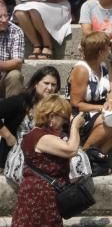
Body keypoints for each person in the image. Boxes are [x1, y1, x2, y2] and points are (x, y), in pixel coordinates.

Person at [9, 94, 85, 227]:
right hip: (40, 196)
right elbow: (71, 150)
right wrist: (75, 126)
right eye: (64, 118)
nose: (65, 122)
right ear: (52, 117)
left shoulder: (41, 135)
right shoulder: (40, 136)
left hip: (43, 194)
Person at [68, 31, 112, 168]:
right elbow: (76, 104)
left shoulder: (104, 65)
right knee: (110, 119)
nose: (110, 49)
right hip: (81, 114)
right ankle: (84, 153)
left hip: (101, 109)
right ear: (101, 51)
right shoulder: (81, 70)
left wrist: (111, 102)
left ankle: (99, 154)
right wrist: (101, 108)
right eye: (108, 46)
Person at [0, 66, 59, 166]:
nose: (50, 88)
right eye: (46, 83)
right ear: (36, 83)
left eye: (53, 85)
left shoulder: (56, 105)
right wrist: (8, 136)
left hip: (44, 153)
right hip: (17, 155)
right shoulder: (20, 101)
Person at [0, 0, 24, 98]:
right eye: (0, 17)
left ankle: (12, 111)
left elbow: (17, 62)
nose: (5, 20)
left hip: (4, 79)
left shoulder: (15, 31)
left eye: (6, 15)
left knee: (15, 75)